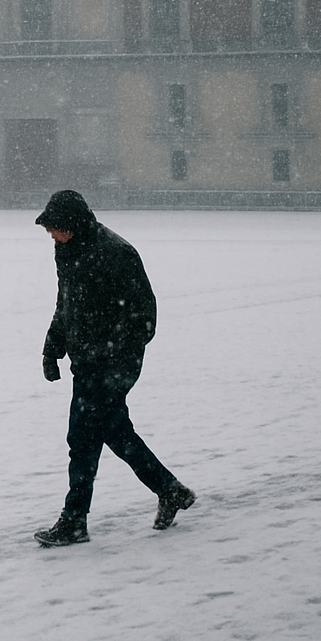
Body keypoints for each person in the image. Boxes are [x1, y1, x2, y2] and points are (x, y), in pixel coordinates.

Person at [33, 189, 195, 546]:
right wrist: (52, 348)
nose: (49, 235)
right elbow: (67, 303)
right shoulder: (69, 248)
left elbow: (144, 317)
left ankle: (75, 521)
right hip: (88, 362)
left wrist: (114, 357)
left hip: (112, 365)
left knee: (82, 440)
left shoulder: (115, 253)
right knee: (115, 433)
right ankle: (170, 490)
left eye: (54, 228)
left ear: (72, 224)